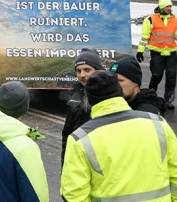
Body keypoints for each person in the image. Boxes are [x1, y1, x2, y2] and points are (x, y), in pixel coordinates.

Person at [60, 71, 177, 202]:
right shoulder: (158, 123)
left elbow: (74, 194)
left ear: (90, 99)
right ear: (119, 93)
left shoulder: (80, 139)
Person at [61, 48, 102, 166]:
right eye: (78, 71)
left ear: (98, 70)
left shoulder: (108, 95)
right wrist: (65, 166)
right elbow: (67, 136)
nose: (82, 75)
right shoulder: (75, 95)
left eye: (87, 70)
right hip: (77, 160)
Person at [138, 0, 177, 109]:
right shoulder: (150, 19)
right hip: (157, 53)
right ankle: (152, 96)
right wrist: (140, 51)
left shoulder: (174, 19)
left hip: (172, 53)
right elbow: (145, 36)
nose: (169, 8)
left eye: (170, 6)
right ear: (161, 7)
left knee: (171, 77)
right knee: (156, 76)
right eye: (167, 6)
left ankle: (168, 100)